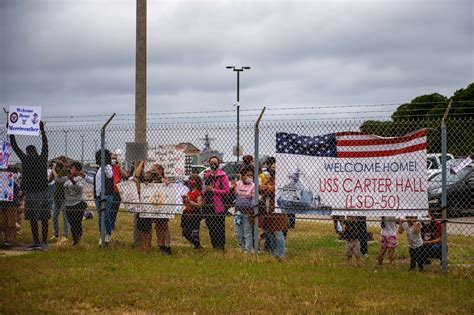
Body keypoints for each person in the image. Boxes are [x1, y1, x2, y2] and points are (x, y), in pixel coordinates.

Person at [10, 121, 50, 251]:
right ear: (35, 151)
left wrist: (11, 131)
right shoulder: (42, 158)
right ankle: (44, 242)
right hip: (43, 191)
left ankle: (36, 241)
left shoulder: (25, 159)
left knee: (33, 217)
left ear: (27, 152)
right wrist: (42, 130)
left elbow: (15, 147)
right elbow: (45, 145)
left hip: (31, 192)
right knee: (44, 217)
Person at [134, 161, 172, 253]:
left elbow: (167, 187)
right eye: (150, 169)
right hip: (147, 207)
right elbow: (137, 176)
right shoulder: (147, 179)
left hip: (160, 206)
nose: (151, 171)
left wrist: (163, 180)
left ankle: (163, 246)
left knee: (162, 226)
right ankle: (146, 247)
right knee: (146, 228)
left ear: (160, 171)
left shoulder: (162, 180)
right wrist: (141, 164)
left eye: (154, 170)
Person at [53, 161, 87, 246]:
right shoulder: (67, 178)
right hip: (68, 204)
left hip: (78, 204)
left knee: (77, 223)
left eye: (72, 168)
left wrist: (72, 180)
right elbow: (57, 179)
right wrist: (63, 169)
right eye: (70, 168)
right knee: (72, 223)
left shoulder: (81, 178)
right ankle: (75, 241)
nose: (70, 169)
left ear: (77, 170)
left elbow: (79, 188)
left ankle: (78, 241)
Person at [85, 150, 114, 245]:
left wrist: (105, 165)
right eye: (100, 157)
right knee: (100, 216)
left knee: (105, 215)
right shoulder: (98, 169)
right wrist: (84, 176)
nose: (101, 159)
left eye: (103, 157)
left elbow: (110, 175)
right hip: (97, 196)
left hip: (106, 195)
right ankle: (102, 235)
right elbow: (95, 181)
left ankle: (108, 233)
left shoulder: (108, 167)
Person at [260, 162, 288, 259]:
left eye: (275, 168)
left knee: (278, 232)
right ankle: (273, 253)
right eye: (272, 167)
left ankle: (281, 254)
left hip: (278, 210)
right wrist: (267, 188)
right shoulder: (270, 180)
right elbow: (262, 189)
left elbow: (275, 191)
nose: (273, 169)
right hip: (268, 210)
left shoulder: (283, 180)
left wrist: (268, 188)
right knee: (270, 232)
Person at [202, 156, 230, 251]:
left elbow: (226, 191)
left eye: (215, 162)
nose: (213, 164)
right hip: (208, 205)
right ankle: (214, 247)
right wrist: (205, 191)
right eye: (211, 162)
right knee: (211, 227)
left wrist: (213, 190)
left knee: (219, 228)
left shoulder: (223, 176)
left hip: (218, 206)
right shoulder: (207, 175)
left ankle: (221, 247)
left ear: (218, 163)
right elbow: (204, 188)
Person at [232, 167, 255, 253]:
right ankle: (242, 248)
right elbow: (233, 194)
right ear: (243, 176)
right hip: (238, 212)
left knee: (247, 231)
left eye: (251, 175)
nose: (250, 177)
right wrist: (232, 187)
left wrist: (251, 208)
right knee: (238, 232)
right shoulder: (238, 184)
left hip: (247, 213)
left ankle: (248, 250)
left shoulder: (253, 186)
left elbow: (253, 198)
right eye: (247, 175)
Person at [50, 156, 70, 242]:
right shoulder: (56, 169)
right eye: (57, 163)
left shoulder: (67, 170)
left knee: (65, 217)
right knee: (54, 216)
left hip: (64, 197)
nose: (58, 164)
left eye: (59, 163)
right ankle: (56, 234)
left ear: (64, 162)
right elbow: (50, 179)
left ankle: (65, 235)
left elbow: (58, 179)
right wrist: (53, 169)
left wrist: (55, 170)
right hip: (56, 196)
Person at [0, 167, 20, 249]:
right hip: (2, 204)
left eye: (3, 171)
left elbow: (16, 192)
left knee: (11, 223)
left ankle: (10, 241)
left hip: (11, 204)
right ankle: (6, 240)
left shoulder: (10, 181)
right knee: (3, 222)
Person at [181, 174, 203, 249]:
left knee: (194, 232)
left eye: (193, 180)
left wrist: (190, 202)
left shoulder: (198, 193)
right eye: (190, 180)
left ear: (197, 182)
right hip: (187, 213)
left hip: (194, 213)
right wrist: (185, 200)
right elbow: (186, 203)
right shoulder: (189, 192)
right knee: (185, 232)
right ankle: (196, 245)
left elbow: (199, 205)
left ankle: (198, 246)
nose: (191, 181)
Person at [110, 152, 128, 232]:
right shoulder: (107, 167)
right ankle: (108, 225)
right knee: (109, 209)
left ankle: (112, 225)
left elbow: (126, 175)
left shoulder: (118, 167)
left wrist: (119, 167)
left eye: (115, 158)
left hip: (117, 191)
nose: (113, 160)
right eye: (112, 158)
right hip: (109, 191)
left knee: (115, 210)